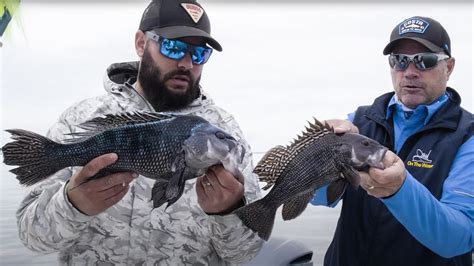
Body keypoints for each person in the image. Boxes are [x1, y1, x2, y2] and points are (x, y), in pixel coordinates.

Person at [15, 0, 263, 264]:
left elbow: (244, 254)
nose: (188, 63)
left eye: (200, 54)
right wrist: (73, 205)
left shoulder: (225, 132)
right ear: (141, 43)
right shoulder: (83, 118)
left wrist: (228, 211)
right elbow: (31, 237)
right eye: (174, 47)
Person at [311, 16, 473, 265]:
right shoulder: (359, 121)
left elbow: (459, 237)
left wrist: (399, 190)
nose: (410, 72)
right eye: (399, 61)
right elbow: (319, 198)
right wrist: (318, 157)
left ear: (449, 67)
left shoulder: (467, 135)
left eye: (425, 61)